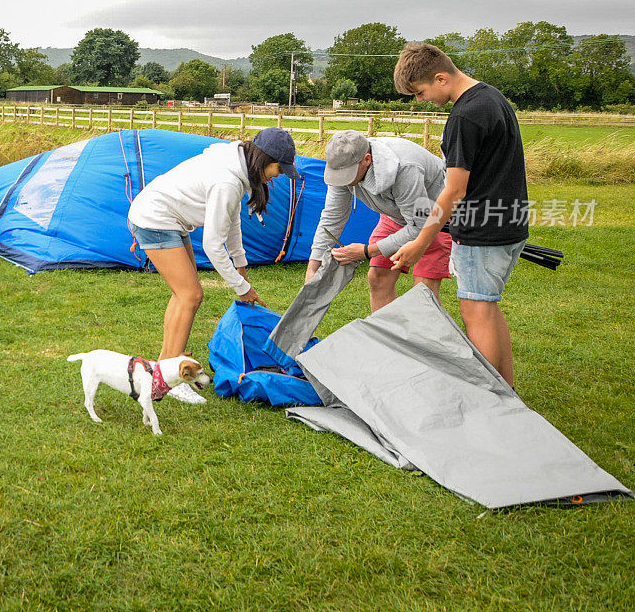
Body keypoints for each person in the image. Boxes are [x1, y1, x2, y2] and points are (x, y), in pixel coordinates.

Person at [127, 127, 300, 402]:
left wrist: (241, 266)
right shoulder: (228, 181)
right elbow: (212, 245)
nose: (279, 174)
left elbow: (231, 221)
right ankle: (173, 379)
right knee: (190, 295)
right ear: (265, 160)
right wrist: (241, 288)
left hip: (167, 218)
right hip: (155, 218)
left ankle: (162, 368)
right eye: (279, 168)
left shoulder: (237, 166)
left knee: (184, 295)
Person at [390, 43, 528, 386]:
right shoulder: (492, 97)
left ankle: (490, 398)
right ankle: (506, 389)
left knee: (475, 312)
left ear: (441, 78)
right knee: (487, 308)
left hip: (482, 231)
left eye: (421, 92)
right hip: (510, 224)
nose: (421, 100)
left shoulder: (464, 116)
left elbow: (454, 190)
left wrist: (421, 242)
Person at [306, 130, 452, 311]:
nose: (343, 180)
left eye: (348, 173)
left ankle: (427, 338)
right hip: (395, 217)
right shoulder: (343, 168)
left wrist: (367, 251)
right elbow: (332, 217)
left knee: (423, 293)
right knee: (378, 277)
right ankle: (388, 337)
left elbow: (419, 226)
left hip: (434, 218)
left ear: (367, 159)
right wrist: (314, 265)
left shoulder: (406, 167)